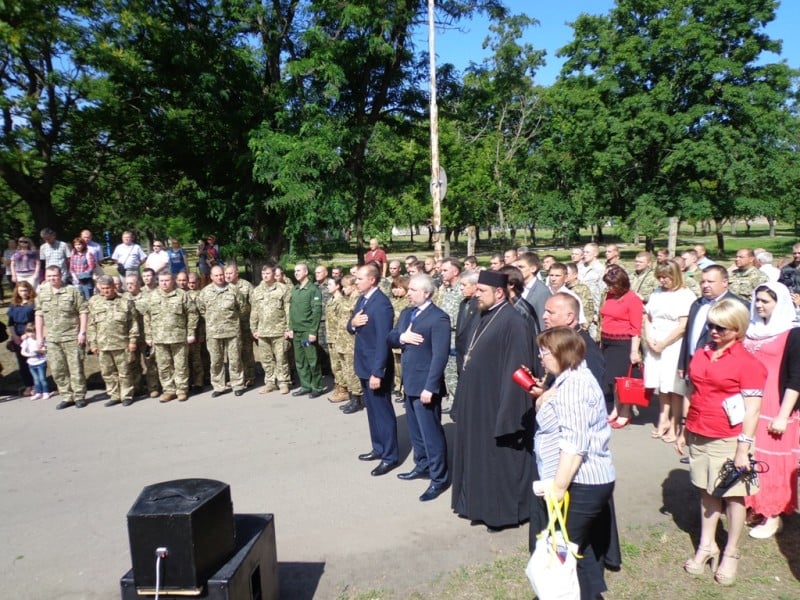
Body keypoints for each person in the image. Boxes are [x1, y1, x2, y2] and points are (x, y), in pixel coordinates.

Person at [676, 300, 765, 586]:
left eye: (721, 327)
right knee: (706, 490)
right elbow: (691, 391)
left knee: (734, 496)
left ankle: (731, 551)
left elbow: (752, 409)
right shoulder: (701, 355)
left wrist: (743, 447)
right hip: (700, 432)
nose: (713, 331)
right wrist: (683, 427)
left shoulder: (749, 364)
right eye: (711, 325)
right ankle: (707, 545)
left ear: (737, 329)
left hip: (730, 437)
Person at [533, 326, 618, 599]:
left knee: (566, 549)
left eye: (544, 352)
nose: (540, 357)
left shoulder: (574, 386)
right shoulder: (569, 378)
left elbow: (574, 445)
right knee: (578, 547)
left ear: (562, 353)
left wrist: (558, 488)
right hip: (583, 479)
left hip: (582, 482)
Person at [450, 270, 535, 530]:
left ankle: (501, 515)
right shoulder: (481, 314)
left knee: (497, 461)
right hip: (476, 402)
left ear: (499, 292)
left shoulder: (514, 322)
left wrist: (509, 413)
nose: (476, 294)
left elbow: (519, 371)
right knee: (476, 457)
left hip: (497, 405)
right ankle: (476, 506)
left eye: (482, 291)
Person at [742, 282, 799, 538]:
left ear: (780, 303)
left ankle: (773, 514)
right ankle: (753, 504)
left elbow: (797, 378)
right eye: (757, 300)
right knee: (749, 456)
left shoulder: (792, 333)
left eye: (765, 301)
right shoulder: (751, 330)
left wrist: (783, 415)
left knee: (770, 461)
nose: (759, 305)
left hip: (775, 405)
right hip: (749, 403)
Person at [388, 274, 451, 501]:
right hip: (409, 383)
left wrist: (430, 387)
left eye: (414, 290)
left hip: (425, 386)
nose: (409, 293)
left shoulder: (439, 318)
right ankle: (421, 465)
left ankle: (439, 478)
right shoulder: (407, 313)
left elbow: (439, 356)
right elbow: (392, 338)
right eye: (410, 289)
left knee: (431, 434)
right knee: (416, 432)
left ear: (426, 293)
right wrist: (402, 337)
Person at [347, 263, 397, 475]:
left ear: (372, 280)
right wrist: (352, 323)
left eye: (359, 279)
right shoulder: (363, 298)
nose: (355, 282)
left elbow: (383, 341)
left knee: (382, 412)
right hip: (363, 364)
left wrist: (378, 372)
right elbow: (352, 325)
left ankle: (390, 456)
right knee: (372, 412)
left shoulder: (382, 304)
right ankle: (378, 447)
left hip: (376, 368)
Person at [643, 260, 696, 442]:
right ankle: (663, 418)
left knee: (673, 386)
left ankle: (675, 424)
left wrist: (664, 343)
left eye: (666, 277)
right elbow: (648, 317)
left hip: (673, 343)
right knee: (661, 384)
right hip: (655, 340)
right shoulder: (657, 293)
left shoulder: (685, 295)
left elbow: (682, 326)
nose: (663, 280)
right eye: (660, 277)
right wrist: (649, 338)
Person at [678, 265, 749, 381]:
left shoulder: (738, 306)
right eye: (703, 282)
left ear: (725, 282)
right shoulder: (697, 304)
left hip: (720, 367)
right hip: (693, 363)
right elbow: (687, 336)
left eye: (710, 282)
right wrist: (682, 363)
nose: (705, 285)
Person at [35, 266, 88, 409]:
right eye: (49, 276)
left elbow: (83, 311)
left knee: (76, 368)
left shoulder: (72, 291)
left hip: (71, 336)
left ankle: (79, 396)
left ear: (61, 275)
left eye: (55, 276)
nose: (52, 278)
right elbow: (39, 314)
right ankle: (66, 396)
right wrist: (39, 337)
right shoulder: (42, 293)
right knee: (58, 369)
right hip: (52, 339)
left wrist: (82, 332)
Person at [142, 272, 198, 402]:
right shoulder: (152, 296)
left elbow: (192, 314)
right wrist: (148, 336)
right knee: (163, 366)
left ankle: (182, 390)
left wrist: (191, 333)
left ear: (173, 280)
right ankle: (169, 390)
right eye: (161, 281)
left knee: (181, 365)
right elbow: (147, 317)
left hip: (178, 337)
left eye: (167, 280)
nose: (164, 283)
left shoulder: (182, 295)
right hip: (159, 338)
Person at [599, 265, 643, 428]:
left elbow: (636, 328)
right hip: (608, 341)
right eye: (608, 285)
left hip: (623, 343)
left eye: (612, 285)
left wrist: (634, 351)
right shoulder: (609, 296)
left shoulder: (632, 299)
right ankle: (616, 408)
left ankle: (626, 410)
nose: (609, 289)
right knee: (611, 380)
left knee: (623, 381)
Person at [87, 276, 139, 406]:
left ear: (114, 287)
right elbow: (92, 325)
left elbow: (133, 323)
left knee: (124, 372)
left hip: (121, 343)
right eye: (103, 289)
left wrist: (132, 341)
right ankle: (114, 395)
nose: (105, 291)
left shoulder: (125, 301)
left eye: (108, 288)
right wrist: (93, 343)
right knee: (108, 373)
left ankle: (126, 395)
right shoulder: (94, 302)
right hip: (103, 344)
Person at [196, 265, 245, 397]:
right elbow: (201, 310)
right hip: (213, 332)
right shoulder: (205, 292)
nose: (219, 277)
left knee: (235, 359)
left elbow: (242, 307)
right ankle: (219, 386)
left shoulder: (233, 289)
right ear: (211, 277)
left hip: (232, 331)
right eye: (216, 275)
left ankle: (237, 384)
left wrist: (232, 320)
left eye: (221, 275)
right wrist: (213, 320)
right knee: (216, 360)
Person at [250, 263, 291, 395]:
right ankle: (270, 382)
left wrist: (289, 328)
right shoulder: (257, 291)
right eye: (263, 274)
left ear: (274, 274)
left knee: (281, 358)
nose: (265, 276)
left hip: (279, 330)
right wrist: (253, 328)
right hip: (262, 331)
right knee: (266, 358)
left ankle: (283, 382)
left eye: (268, 273)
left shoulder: (283, 289)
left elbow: (288, 310)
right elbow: (254, 311)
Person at [287, 263, 325, 397]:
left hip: (306, 332)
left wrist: (313, 332)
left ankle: (317, 387)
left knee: (312, 360)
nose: (296, 273)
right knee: (300, 361)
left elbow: (316, 312)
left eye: (298, 271)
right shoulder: (295, 289)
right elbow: (291, 311)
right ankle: (306, 385)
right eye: (295, 271)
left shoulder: (313, 289)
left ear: (306, 272)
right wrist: (290, 328)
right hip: (297, 332)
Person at [433, 258, 462, 413]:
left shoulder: (461, 290)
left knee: (455, 373)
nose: (441, 273)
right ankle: (453, 402)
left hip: (456, 337)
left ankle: (458, 405)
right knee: (449, 373)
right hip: (446, 337)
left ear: (455, 272)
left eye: (445, 270)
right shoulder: (447, 289)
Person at [124, 273, 161, 398]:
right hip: (130, 338)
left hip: (146, 336)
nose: (129, 286)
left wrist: (152, 335)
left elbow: (152, 317)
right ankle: (137, 387)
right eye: (127, 284)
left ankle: (153, 388)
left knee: (150, 363)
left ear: (139, 284)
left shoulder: (148, 297)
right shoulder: (123, 298)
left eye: (132, 284)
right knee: (133, 364)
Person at [225, 263, 256, 386]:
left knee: (246, 351)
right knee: (232, 352)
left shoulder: (246, 286)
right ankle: (235, 377)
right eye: (226, 273)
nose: (227, 276)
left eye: (230, 273)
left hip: (244, 324)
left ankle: (250, 376)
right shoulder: (223, 287)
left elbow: (254, 305)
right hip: (229, 326)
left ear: (237, 273)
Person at [337, 274, 364, 413]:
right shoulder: (346, 299)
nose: (343, 289)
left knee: (352, 372)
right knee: (346, 372)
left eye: (346, 286)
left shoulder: (357, 300)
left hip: (351, 343)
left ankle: (357, 399)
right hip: (342, 341)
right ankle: (352, 397)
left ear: (354, 286)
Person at [7, 281, 37, 396]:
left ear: (29, 290)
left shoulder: (33, 304)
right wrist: (14, 336)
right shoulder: (13, 304)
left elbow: (37, 320)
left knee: (33, 361)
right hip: (17, 335)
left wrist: (27, 334)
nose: (23, 293)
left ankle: (36, 385)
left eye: (25, 290)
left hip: (30, 334)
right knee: (22, 363)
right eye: (21, 291)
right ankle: (28, 385)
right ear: (17, 292)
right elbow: (10, 323)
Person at [20, 323, 50, 400]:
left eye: (33, 332)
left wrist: (40, 351)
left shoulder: (40, 340)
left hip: (41, 362)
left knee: (42, 378)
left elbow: (45, 349)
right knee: (36, 379)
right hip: (31, 363)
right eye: (29, 332)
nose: (31, 334)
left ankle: (45, 392)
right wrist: (29, 355)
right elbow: (22, 351)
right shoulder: (27, 341)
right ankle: (38, 392)